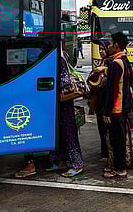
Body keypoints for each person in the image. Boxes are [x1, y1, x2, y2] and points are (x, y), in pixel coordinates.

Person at [100, 32, 133, 179]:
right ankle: (119, 167)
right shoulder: (124, 61)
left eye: (111, 43)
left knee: (117, 140)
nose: (109, 45)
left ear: (116, 45)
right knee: (120, 139)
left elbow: (112, 90)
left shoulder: (115, 64)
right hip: (124, 105)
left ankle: (120, 170)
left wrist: (107, 111)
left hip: (117, 108)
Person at [47, 49, 84, 177]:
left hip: (64, 104)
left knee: (68, 134)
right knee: (57, 134)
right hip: (55, 104)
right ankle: (60, 161)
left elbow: (65, 81)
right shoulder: (54, 57)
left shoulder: (60, 59)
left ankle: (77, 164)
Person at [88, 40, 112, 161]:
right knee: (101, 127)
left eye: (104, 49)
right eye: (100, 49)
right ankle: (104, 151)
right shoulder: (102, 62)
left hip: (106, 100)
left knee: (106, 128)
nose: (102, 52)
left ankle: (108, 153)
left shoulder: (110, 63)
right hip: (99, 99)